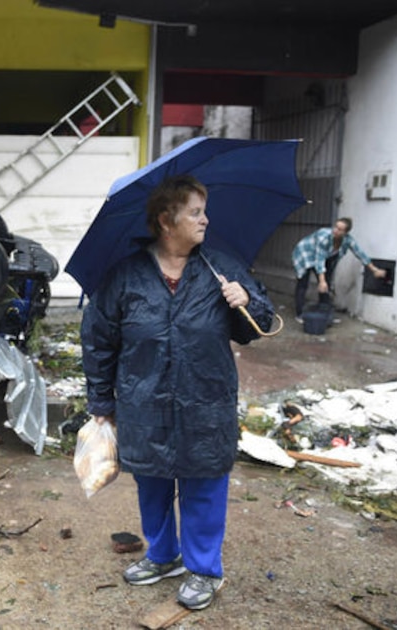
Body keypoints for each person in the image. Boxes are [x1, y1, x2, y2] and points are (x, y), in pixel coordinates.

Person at [81, 175, 274, 611]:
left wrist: (247, 300)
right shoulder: (125, 276)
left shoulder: (221, 269)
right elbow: (98, 341)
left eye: (204, 211)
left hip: (206, 402)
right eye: (195, 212)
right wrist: (101, 402)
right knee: (152, 484)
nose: (205, 220)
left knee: (203, 484)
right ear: (166, 221)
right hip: (143, 402)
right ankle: (163, 555)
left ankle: (204, 569)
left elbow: (256, 328)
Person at [292, 218, 386, 322]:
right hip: (305, 254)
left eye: (340, 229)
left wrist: (374, 269)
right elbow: (319, 260)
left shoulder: (348, 240)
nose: (335, 230)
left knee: (326, 285)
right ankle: (300, 314)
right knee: (303, 284)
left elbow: (360, 253)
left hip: (324, 257)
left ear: (345, 233)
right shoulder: (324, 238)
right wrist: (322, 281)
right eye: (335, 227)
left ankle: (325, 314)